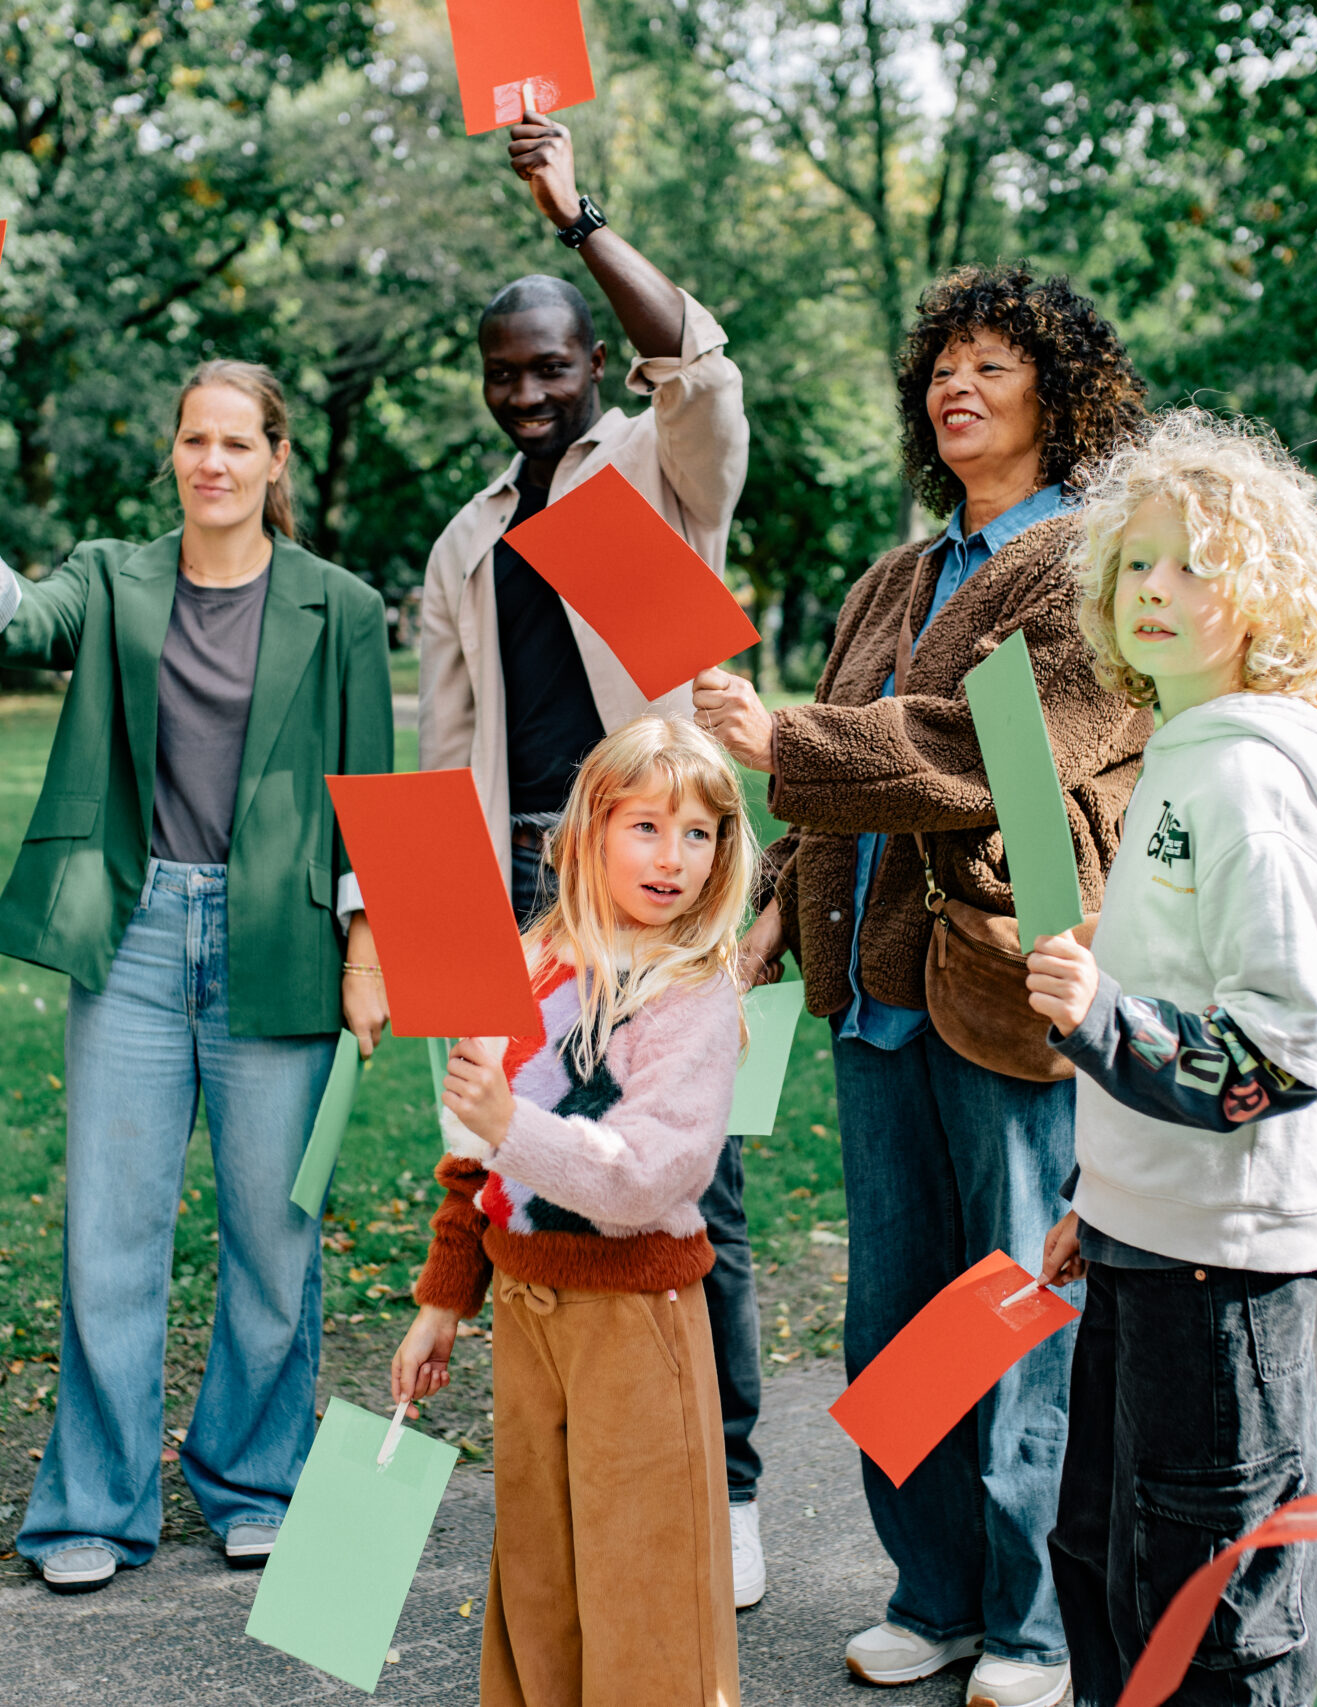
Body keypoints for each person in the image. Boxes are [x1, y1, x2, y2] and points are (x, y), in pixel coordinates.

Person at [693, 263, 1152, 1707]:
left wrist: (787, 736)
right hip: (873, 993)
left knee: (1010, 1302)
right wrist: (769, 905)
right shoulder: (892, 577)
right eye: (942, 368)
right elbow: (834, 798)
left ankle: (1033, 1619)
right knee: (895, 1314)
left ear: (1058, 396)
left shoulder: (1091, 567)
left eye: (993, 368)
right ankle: (932, 1589)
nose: (957, 387)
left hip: (1004, 986)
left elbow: (971, 748)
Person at [0, 359, 393, 1593]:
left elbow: (373, 795)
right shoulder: (116, 577)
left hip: (277, 938)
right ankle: (93, 1505)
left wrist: (371, 951)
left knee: (275, 1237)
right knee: (109, 1237)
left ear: (277, 460)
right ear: (173, 454)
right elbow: (11, 617)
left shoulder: (337, 604)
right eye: (194, 441)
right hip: (129, 932)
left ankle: (257, 1482)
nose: (213, 462)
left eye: (239, 442)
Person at [417, 104, 774, 1606]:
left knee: (698, 1173)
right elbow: (444, 749)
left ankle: (730, 1475)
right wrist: (426, 944)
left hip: (662, 878)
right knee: (513, 1161)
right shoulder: (463, 541)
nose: (529, 393)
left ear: (588, 367)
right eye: (506, 374)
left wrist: (575, 219)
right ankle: (567, 1457)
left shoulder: (656, 474)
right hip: (517, 880)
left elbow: (701, 363)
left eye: (553, 365)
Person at [1021, 411, 1317, 1705]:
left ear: (1268, 595)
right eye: (1141, 564)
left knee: (1211, 1610)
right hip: (1146, 1234)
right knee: (1108, 1564)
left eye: (1200, 565)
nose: (1161, 591)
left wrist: (1101, 1020)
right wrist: (1097, 1196)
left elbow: (1288, 1043)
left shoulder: (1248, 783)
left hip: (1225, 1258)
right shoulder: (1186, 755)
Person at [392, 715, 753, 1706]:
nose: (673, 859)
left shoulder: (691, 996)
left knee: (643, 1583)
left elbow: (646, 1180)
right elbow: (474, 1162)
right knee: (541, 1575)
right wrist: (441, 1303)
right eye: (645, 827)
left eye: (698, 834)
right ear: (589, 829)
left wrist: (512, 1124)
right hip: (524, 1317)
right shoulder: (530, 961)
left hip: (635, 1327)